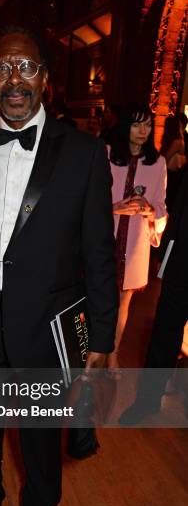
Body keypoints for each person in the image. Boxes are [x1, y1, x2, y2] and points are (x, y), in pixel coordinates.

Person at [0, 26, 118, 506]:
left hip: (47, 330)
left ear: (45, 79)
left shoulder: (85, 154)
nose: (15, 80)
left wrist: (101, 335)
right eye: (3, 68)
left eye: (26, 68)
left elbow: (99, 252)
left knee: (41, 437)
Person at [119, 170, 188, 424]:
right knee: (164, 335)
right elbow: (180, 207)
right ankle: (147, 402)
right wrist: (166, 255)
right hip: (182, 263)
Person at [107, 104, 167, 374]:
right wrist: (114, 207)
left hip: (134, 242)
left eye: (148, 125)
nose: (144, 131)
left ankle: (113, 355)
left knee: (122, 302)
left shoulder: (158, 163)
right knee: (94, 298)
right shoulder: (106, 155)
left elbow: (161, 206)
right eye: (137, 124)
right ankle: (87, 352)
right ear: (124, 126)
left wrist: (150, 209)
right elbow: (87, 200)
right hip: (104, 239)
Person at [160, 114, 187, 213]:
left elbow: (166, 157)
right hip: (172, 173)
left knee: (167, 197)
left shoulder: (177, 141)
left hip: (170, 173)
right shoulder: (177, 140)